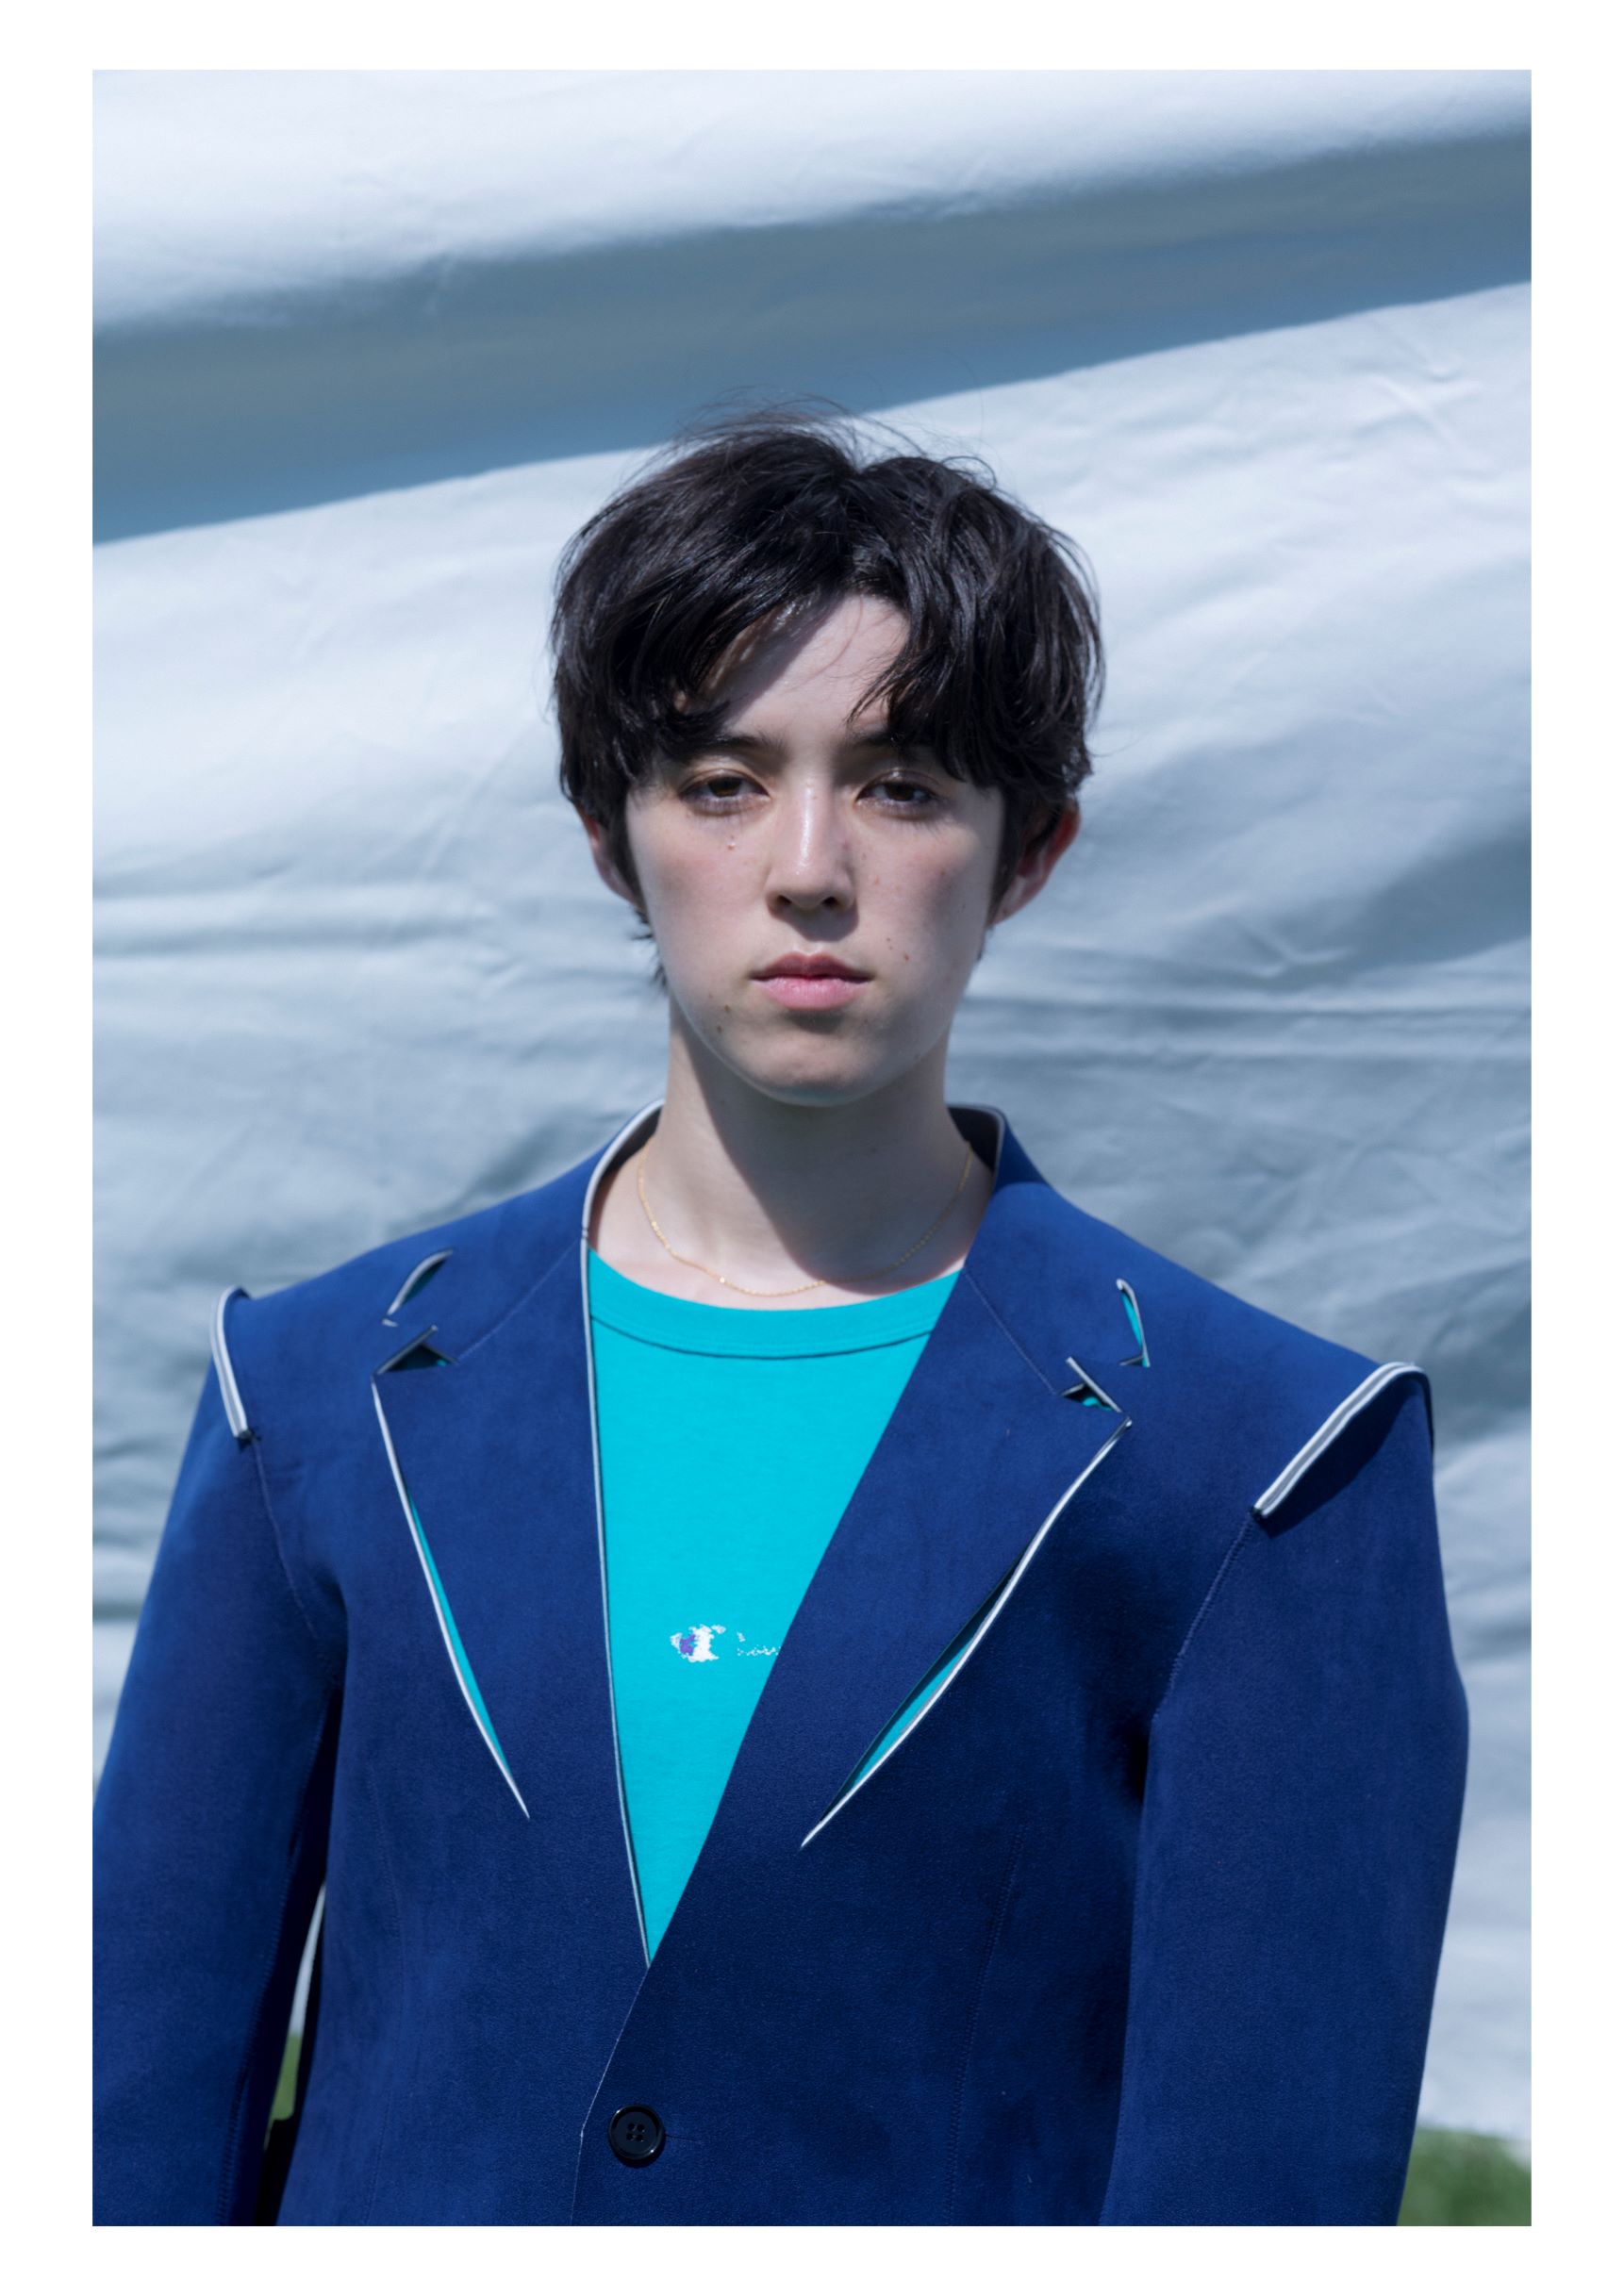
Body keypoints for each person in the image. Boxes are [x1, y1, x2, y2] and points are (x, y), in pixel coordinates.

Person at [92, 410, 1468, 2226]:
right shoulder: (315, 1399)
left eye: (900, 784)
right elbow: (124, 2117)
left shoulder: (1266, 1462)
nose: (809, 864)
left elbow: (1261, 2195)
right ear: (612, 835)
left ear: (1028, 849)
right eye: (723, 781)